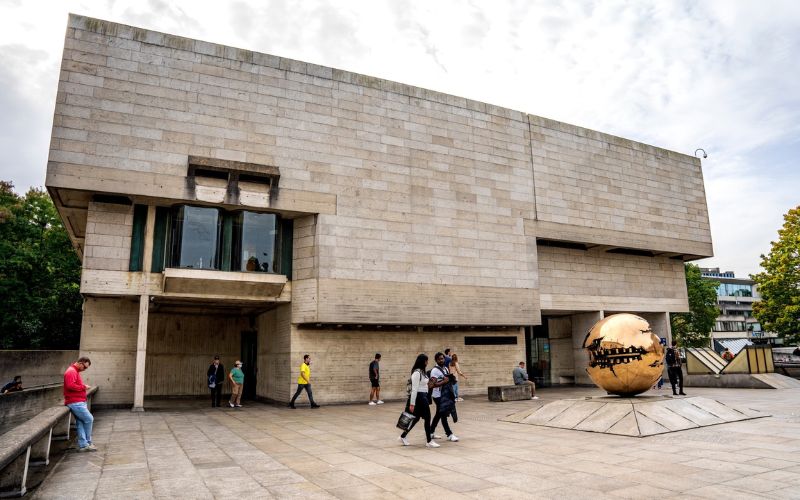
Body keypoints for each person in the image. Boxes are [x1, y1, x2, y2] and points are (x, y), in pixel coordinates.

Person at [399, 354, 439, 448]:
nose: (427, 362)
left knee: (416, 418)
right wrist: (412, 404)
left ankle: (403, 436)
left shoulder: (422, 372)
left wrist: (432, 382)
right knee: (428, 417)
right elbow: (414, 389)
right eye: (426, 361)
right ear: (422, 361)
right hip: (419, 398)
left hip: (423, 396)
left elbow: (425, 385)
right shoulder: (416, 373)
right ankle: (429, 441)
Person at [64, 357, 96, 452]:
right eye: (85, 367)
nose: (84, 369)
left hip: (77, 401)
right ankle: (88, 443)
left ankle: (84, 444)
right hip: (75, 402)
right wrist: (84, 387)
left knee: (81, 422)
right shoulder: (71, 371)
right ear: (80, 363)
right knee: (89, 419)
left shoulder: (74, 371)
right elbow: (70, 386)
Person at [429, 352, 459, 443]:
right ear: (436, 360)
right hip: (437, 396)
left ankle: (431, 432)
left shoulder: (445, 368)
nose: (442, 360)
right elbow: (431, 385)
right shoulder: (435, 371)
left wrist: (451, 379)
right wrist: (444, 381)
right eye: (439, 359)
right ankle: (449, 434)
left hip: (445, 395)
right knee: (443, 414)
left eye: (442, 358)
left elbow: (447, 380)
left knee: (439, 414)